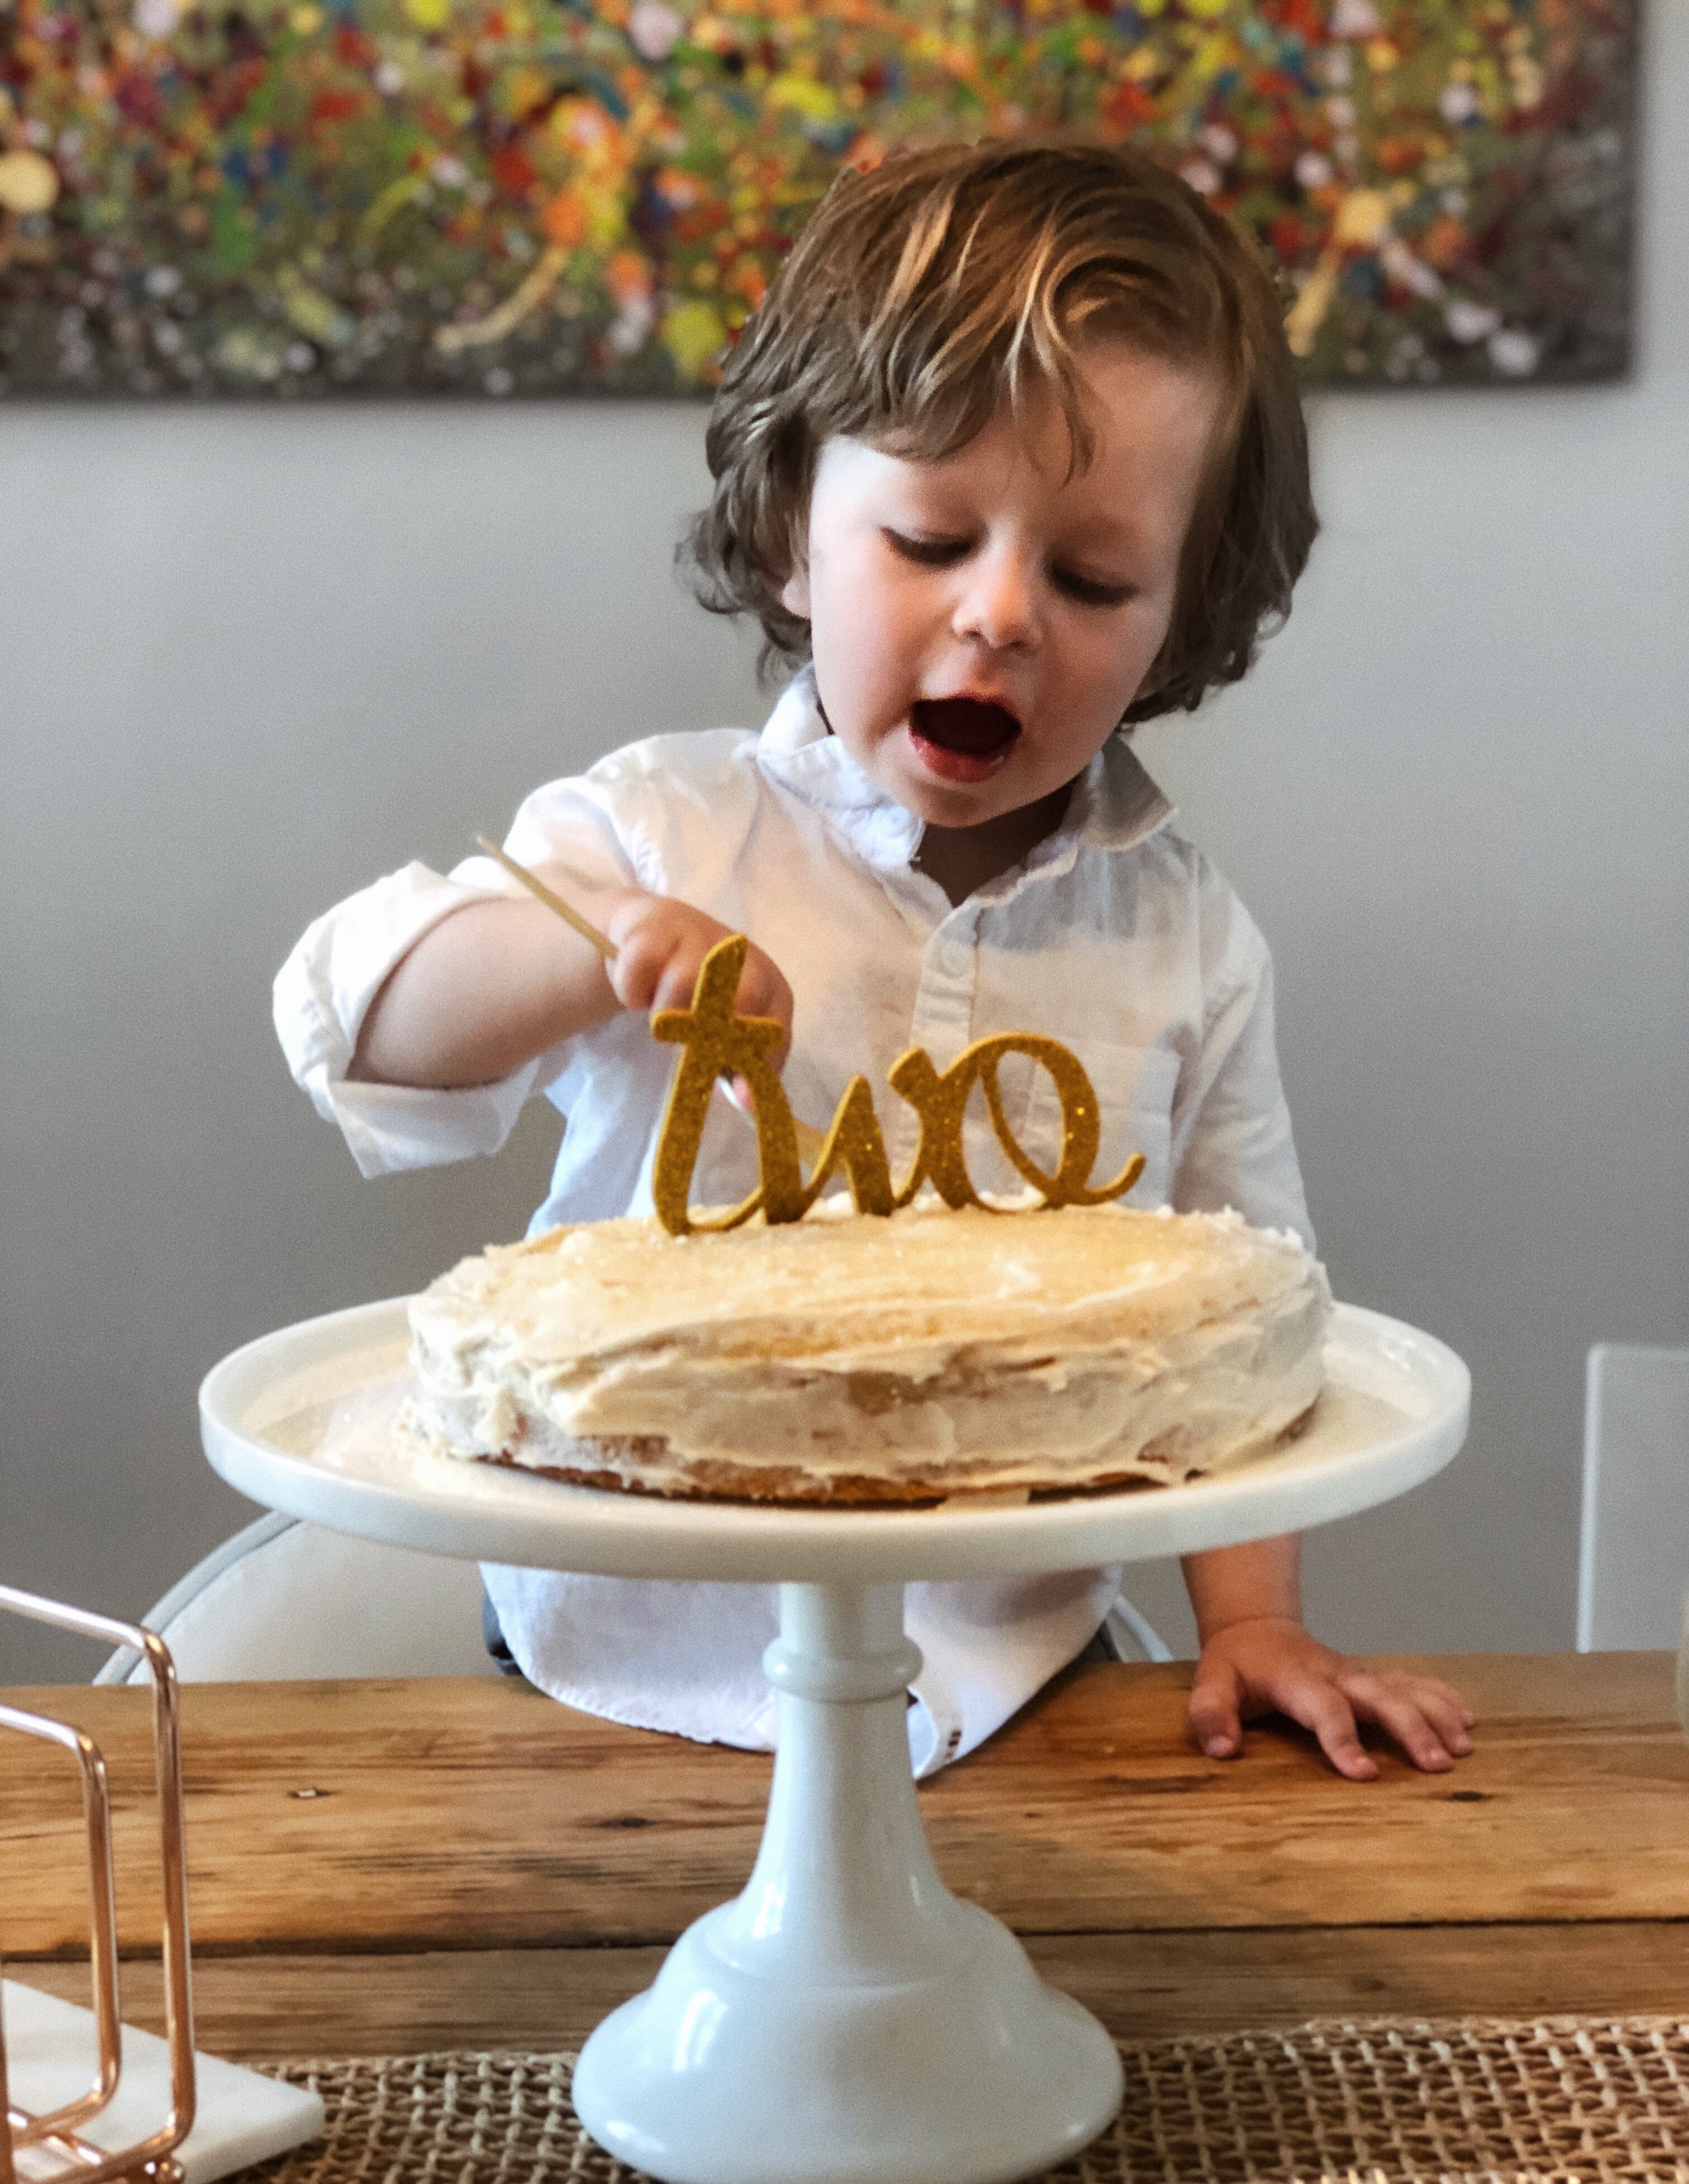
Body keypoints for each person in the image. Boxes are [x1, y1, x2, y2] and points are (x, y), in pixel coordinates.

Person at [276, 136, 1473, 1782]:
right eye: (929, 541)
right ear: (790, 532)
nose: (999, 616)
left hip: (1017, 1675)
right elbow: (369, 1018)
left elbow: (1245, 1325)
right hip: (634, 1657)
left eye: (1093, 574)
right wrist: (591, 954)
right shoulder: (661, 830)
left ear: (1180, 623)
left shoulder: (1180, 936)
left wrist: (1252, 1624)